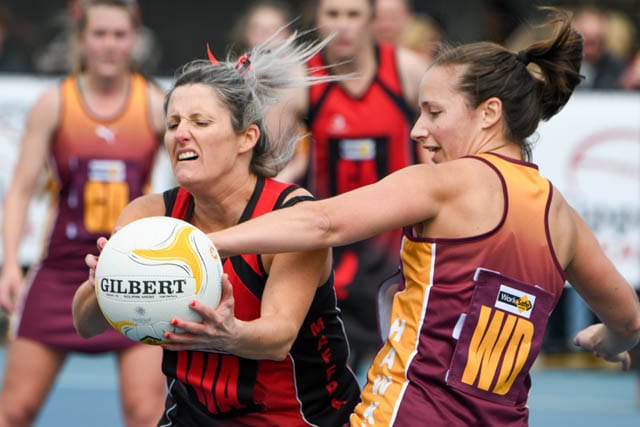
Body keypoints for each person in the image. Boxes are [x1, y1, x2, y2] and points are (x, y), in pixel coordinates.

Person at [204, 7, 640, 425]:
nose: (417, 129)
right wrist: (608, 338)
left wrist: (207, 244)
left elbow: (321, 222)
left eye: (434, 112)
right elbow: (629, 319)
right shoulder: (561, 217)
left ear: (489, 113)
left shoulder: (445, 183)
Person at [72, 29, 361, 426]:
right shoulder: (149, 215)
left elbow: (278, 337)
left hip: (297, 418)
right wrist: (102, 282)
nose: (181, 134)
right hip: (192, 417)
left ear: (247, 138)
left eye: (200, 122)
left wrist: (229, 334)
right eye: (173, 123)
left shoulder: (290, 216)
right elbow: (85, 324)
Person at [0, 1, 166, 426]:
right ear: (80, 40)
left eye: (119, 35)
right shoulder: (55, 104)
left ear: (135, 40)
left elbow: (195, 178)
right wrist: (10, 265)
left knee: (146, 413)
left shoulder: (153, 104)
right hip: (61, 270)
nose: (109, 45)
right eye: (99, 34)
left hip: (134, 273)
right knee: (14, 410)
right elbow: (19, 190)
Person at [273, 0, 430, 384]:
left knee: (399, 374)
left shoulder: (408, 71)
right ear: (317, 18)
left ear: (372, 20)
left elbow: (440, 157)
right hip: (328, 249)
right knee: (327, 379)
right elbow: (272, 167)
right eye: (332, 14)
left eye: (353, 14)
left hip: (396, 251)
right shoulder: (300, 81)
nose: (342, 25)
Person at [571, 6, 627, 90]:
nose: (590, 49)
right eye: (586, 41)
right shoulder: (561, 67)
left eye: (594, 41)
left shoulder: (617, 68)